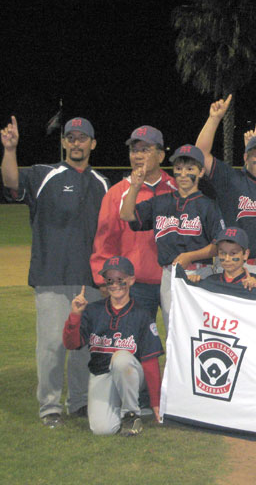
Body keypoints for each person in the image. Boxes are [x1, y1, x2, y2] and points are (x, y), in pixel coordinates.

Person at [2, 116, 109, 427]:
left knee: (82, 347)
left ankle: (79, 402)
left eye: (82, 138)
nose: (76, 143)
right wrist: (10, 150)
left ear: (93, 143)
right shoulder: (43, 175)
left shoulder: (102, 183)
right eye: (71, 138)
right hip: (50, 275)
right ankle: (50, 407)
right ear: (64, 142)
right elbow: (11, 183)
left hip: (89, 279)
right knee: (51, 345)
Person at [120, 144, 225, 331]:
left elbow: (219, 245)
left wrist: (190, 256)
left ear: (200, 172)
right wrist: (135, 187)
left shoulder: (208, 205)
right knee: (173, 330)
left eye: (190, 169)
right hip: (170, 274)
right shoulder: (160, 202)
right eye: (178, 168)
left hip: (201, 273)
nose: (183, 174)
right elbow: (127, 215)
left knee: (199, 329)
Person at [62, 256, 164, 436]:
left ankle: (131, 414)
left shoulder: (141, 314)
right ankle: (118, 408)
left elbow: (150, 361)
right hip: (101, 374)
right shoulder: (93, 311)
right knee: (102, 429)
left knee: (121, 358)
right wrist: (75, 315)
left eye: (120, 279)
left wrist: (156, 402)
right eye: (110, 280)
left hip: (131, 375)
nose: (115, 284)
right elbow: (72, 344)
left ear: (131, 280)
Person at [195, 97, 256, 277]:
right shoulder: (231, 180)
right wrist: (214, 118)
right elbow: (200, 154)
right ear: (245, 158)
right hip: (232, 265)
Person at [91, 125, 176, 323]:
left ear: (161, 155)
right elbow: (105, 241)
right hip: (133, 284)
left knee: (180, 342)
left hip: (173, 281)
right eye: (134, 150)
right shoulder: (117, 193)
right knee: (135, 346)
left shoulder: (177, 189)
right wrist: (103, 281)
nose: (138, 155)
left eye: (145, 150)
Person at [188, 227, 256, 289]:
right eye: (223, 253)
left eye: (233, 253)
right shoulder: (211, 281)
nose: (227, 259)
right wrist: (193, 283)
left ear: (246, 254)